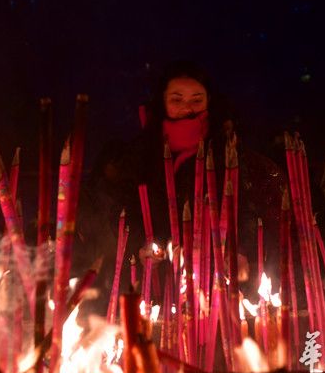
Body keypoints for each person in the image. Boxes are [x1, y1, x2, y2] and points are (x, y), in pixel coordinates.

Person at [74, 60, 285, 314]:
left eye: (197, 99)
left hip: (216, 281)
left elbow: (245, 205)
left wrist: (241, 249)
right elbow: (119, 210)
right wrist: (140, 244)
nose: (187, 108)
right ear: (163, 102)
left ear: (209, 101)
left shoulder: (226, 151)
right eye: (177, 99)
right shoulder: (140, 153)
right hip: (154, 287)